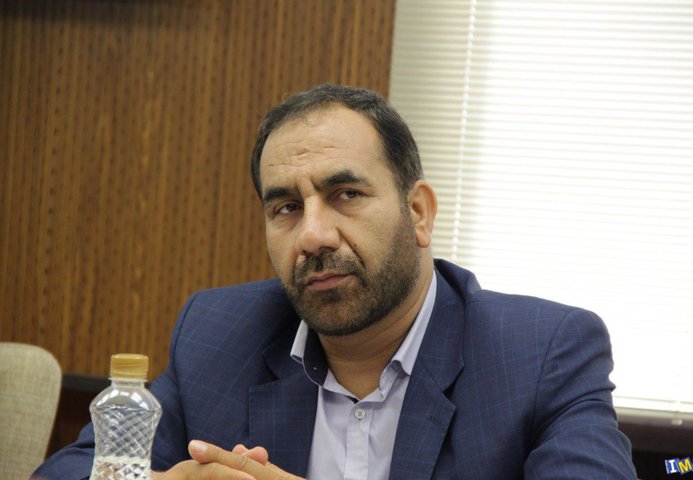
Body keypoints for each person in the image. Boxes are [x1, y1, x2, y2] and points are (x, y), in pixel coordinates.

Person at [34, 84, 636, 479]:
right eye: (286, 207)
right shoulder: (217, 336)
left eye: (346, 194)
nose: (314, 235)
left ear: (418, 213)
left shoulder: (540, 353)